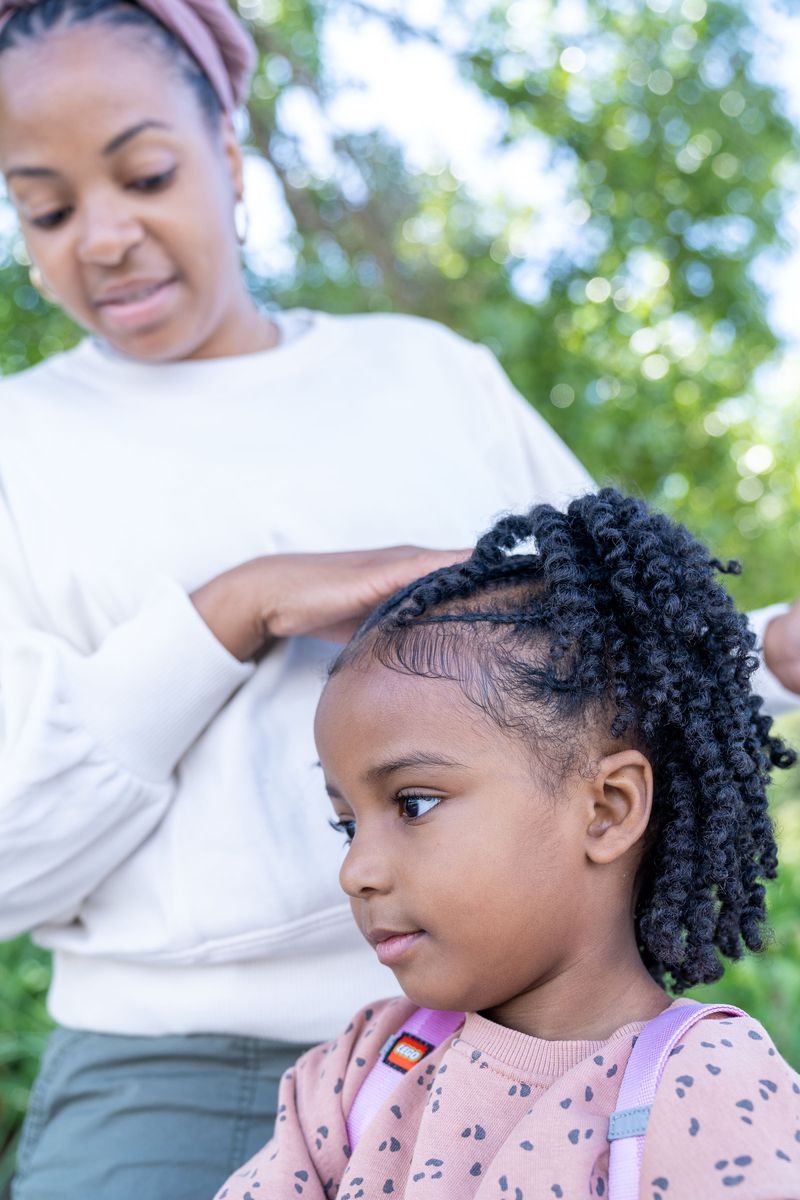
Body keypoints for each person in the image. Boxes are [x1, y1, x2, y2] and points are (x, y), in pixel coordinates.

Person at [0, 0, 797, 1196]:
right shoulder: (22, 450)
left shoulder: (428, 380)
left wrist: (772, 649)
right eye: (45, 208)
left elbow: (616, 671)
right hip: (162, 1079)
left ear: (225, 150)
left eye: (147, 173)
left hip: (520, 1046)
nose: (103, 237)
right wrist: (235, 609)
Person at [215, 489, 800, 1200]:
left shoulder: (703, 1085)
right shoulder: (362, 1071)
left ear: (608, 810)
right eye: (347, 823)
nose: (356, 871)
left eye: (414, 803)